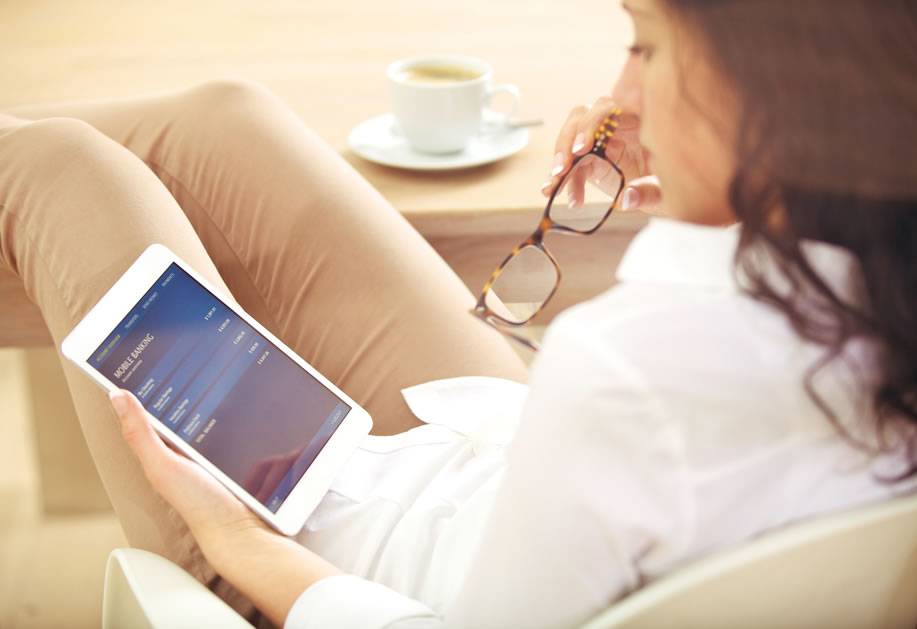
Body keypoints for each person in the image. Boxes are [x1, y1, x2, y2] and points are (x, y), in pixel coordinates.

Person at [2, 0, 916, 626]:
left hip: (307, 568)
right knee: (221, 120)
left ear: (770, 91)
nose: (624, 88)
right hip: (498, 462)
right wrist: (723, 184)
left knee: (59, 172)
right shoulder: (877, 286)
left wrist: (237, 536)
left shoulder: (625, 367)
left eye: (648, 46)